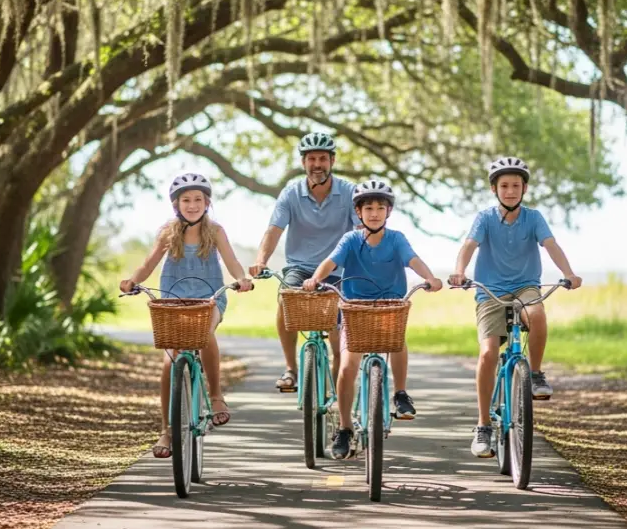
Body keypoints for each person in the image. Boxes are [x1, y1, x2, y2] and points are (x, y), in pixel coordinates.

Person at [448, 157, 582, 459]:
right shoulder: (484, 218)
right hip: (490, 292)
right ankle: (483, 425)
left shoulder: (534, 218)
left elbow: (551, 245)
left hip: (525, 287)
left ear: (524, 189)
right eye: (504, 186)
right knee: (488, 353)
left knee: (536, 314)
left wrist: (569, 273)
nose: (510, 191)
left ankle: (534, 373)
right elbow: (468, 246)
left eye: (516, 186)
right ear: (495, 189)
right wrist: (460, 271)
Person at [303, 179, 442, 460]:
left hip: (390, 304)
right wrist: (316, 278)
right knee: (347, 365)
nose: (375, 212)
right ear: (359, 212)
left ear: (388, 212)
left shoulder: (396, 239)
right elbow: (331, 262)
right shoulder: (351, 239)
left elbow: (413, 259)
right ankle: (344, 428)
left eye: (381, 207)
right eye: (369, 208)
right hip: (355, 307)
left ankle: (401, 394)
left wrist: (429, 278)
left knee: (397, 341)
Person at [120, 172, 253, 459]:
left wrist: (242, 279)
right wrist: (132, 281)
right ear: (176, 205)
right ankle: (167, 429)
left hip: (209, 300)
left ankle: (216, 396)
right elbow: (149, 263)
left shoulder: (215, 231)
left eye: (197, 199)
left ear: (207, 203)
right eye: (185, 200)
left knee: (205, 333)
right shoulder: (168, 233)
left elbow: (232, 261)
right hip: (173, 301)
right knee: (169, 362)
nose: (192, 205)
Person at [246, 134, 357, 392]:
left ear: (332, 161)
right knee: (285, 301)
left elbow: (362, 230)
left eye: (322, 159)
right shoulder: (291, 193)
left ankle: (338, 387)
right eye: (311, 159)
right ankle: (291, 369)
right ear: (303, 162)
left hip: (338, 268)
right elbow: (274, 230)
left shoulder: (350, 192)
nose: (317, 164)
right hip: (299, 267)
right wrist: (261, 261)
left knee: (337, 326)